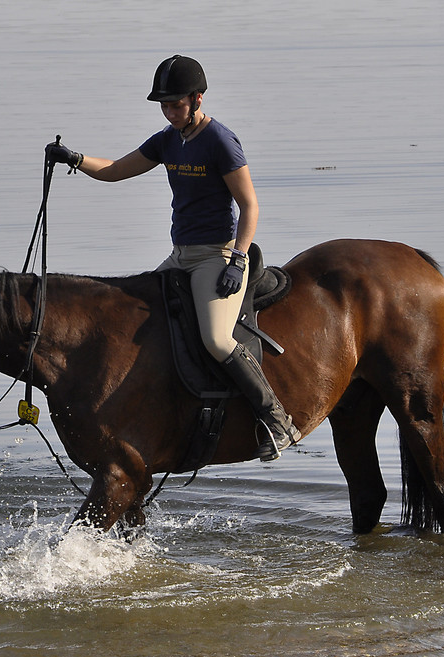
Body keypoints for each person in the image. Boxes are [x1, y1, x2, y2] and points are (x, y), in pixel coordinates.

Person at [46, 54, 300, 461]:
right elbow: (114, 169)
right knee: (136, 319)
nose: (169, 111)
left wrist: (237, 259)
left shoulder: (221, 141)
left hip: (215, 256)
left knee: (217, 339)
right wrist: (74, 159)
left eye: (175, 104)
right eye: (163, 105)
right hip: (179, 256)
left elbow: (250, 205)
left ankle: (276, 420)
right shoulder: (167, 140)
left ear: (197, 99)